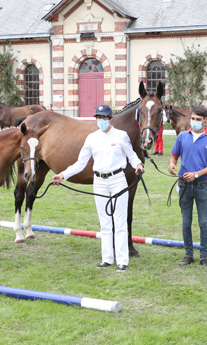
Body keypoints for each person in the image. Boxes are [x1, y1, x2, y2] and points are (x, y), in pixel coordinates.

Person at [51, 104, 144, 273]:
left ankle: (122, 260)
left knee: (120, 221)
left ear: (110, 119)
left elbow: (131, 155)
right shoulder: (91, 138)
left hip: (117, 180)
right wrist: (62, 175)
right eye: (98, 118)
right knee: (105, 222)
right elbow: (81, 162)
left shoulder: (121, 136)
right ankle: (107, 258)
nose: (100, 121)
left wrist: (138, 164)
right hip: (99, 181)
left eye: (104, 118)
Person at [169, 105, 207, 268]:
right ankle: (188, 254)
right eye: (193, 119)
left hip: (202, 184)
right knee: (186, 222)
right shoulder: (182, 136)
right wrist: (171, 165)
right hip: (184, 183)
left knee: (203, 222)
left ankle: (204, 256)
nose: (195, 122)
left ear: (205, 121)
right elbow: (174, 157)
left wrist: (197, 174)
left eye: (198, 120)